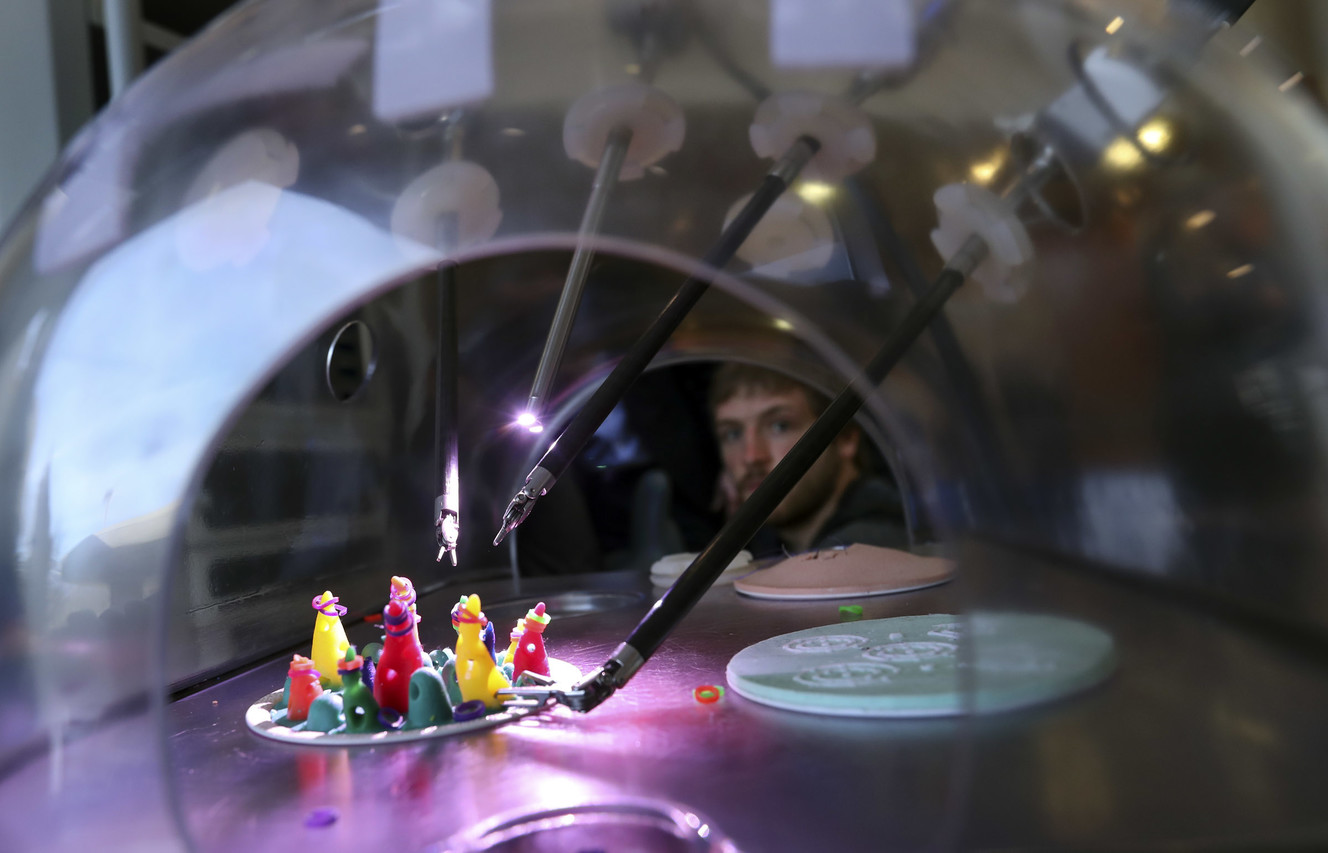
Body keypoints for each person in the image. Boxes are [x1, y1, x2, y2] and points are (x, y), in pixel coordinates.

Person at [709, 363, 908, 557]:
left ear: (845, 437)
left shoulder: (874, 544)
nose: (751, 457)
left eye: (780, 426)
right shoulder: (764, 543)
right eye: (732, 434)